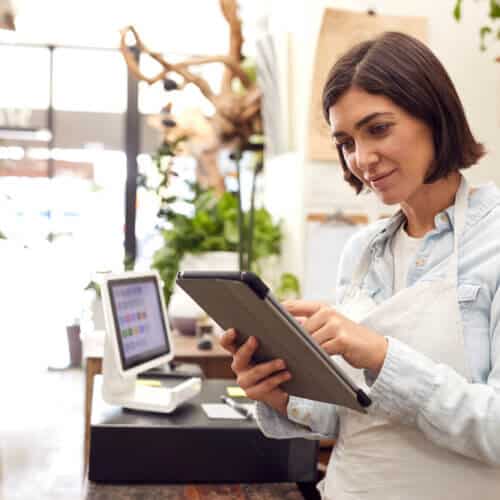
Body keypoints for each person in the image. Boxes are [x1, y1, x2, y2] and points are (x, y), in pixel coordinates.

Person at [220, 31, 500, 500]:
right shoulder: (362, 252)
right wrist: (281, 394)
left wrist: (383, 355)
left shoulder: (493, 242)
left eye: (378, 129)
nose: (361, 159)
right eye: (346, 141)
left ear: (434, 114)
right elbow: (353, 413)